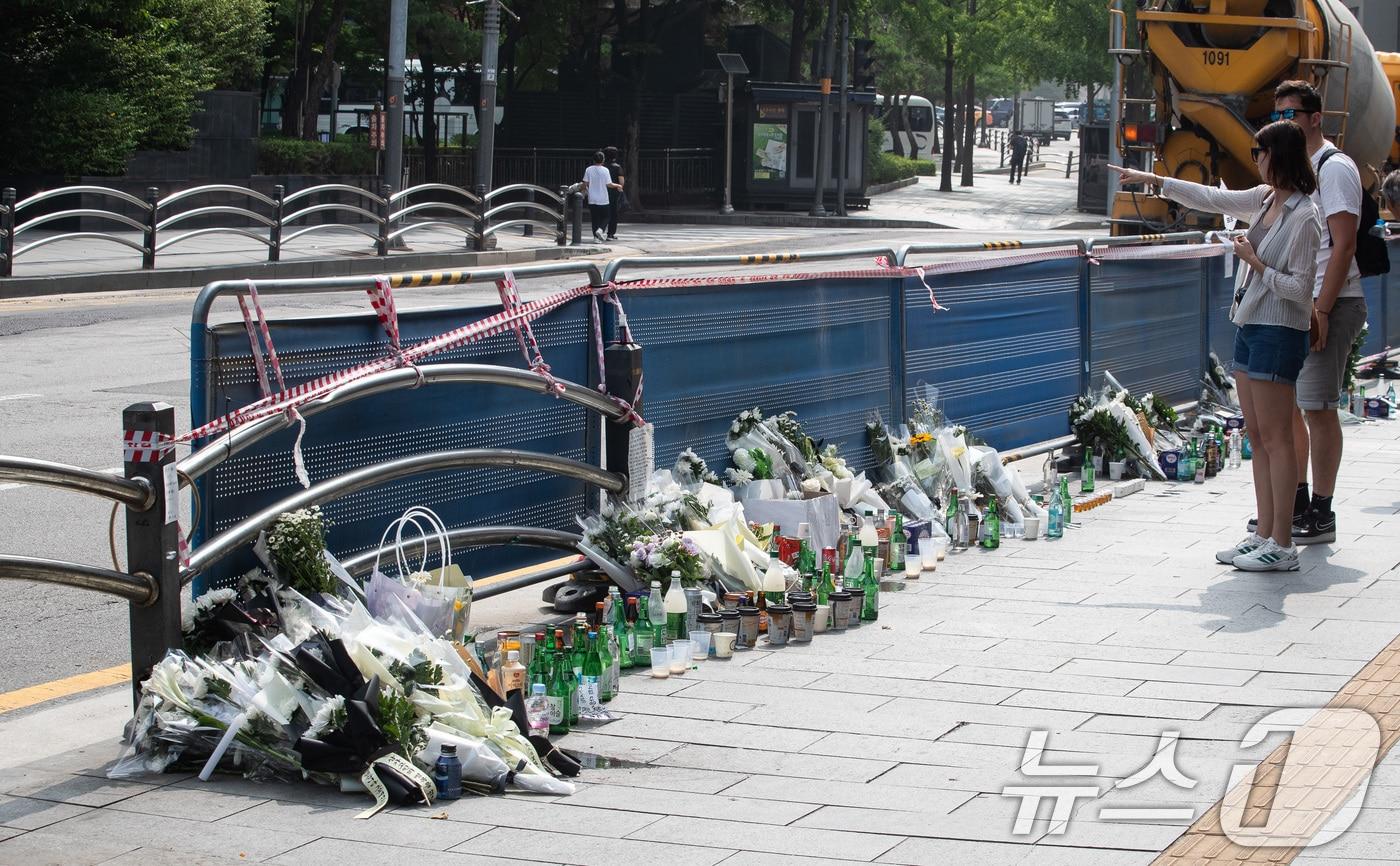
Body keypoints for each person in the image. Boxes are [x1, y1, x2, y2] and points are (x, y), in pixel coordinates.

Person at [1109, 120, 1321, 572]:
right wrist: (1154, 181)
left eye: (1259, 151)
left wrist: (1255, 262)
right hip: (1249, 325)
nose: (1255, 158)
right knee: (1259, 438)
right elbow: (1211, 198)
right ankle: (1263, 532)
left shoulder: (1305, 215)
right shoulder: (1265, 200)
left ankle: (1283, 542)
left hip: (1279, 330)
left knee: (1278, 438)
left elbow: (1301, 290)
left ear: (1278, 155)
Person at [1256, 81, 1367, 546]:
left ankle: (1321, 511)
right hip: (1304, 304)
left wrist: (1321, 309)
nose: (1285, 123)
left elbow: (1343, 245)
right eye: (1278, 116)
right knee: (1296, 410)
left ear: (1315, 117)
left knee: (1319, 409)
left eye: (1292, 115)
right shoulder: (1295, 169)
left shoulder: (1334, 168)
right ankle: (1295, 503)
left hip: (1331, 303)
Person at [581, 151, 619, 243]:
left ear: (594, 160)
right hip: (603, 198)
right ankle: (601, 230)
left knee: (595, 218)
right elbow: (609, 184)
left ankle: (595, 238)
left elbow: (585, 183)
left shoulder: (588, 169)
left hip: (592, 198)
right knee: (606, 216)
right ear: (603, 160)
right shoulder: (605, 170)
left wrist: (583, 191)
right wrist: (618, 185)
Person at [604, 146, 626, 241]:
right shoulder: (618, 167)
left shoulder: (602, 167)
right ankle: (610, 234)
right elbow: (621, 182)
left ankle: (599, 231)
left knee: (603, 213)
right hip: (614, 193)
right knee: (613, 214)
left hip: (602, 192)